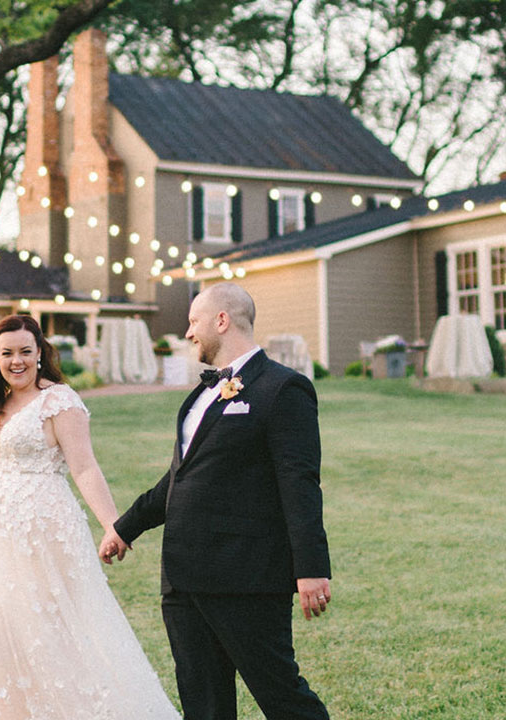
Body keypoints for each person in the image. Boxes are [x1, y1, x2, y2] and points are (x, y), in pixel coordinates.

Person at [100, 283, 333, 720]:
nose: (188, 333)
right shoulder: (200, 395)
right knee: (202, 703)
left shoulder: (284, 390)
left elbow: (300, 483)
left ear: (221, 321)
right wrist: (124, 527)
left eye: (193, 322)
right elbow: (180, 477)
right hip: (183, 578)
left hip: (245, 575)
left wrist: (312, 568)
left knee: (282, 696)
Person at [0, 314, 180, 720]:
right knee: (6, 633)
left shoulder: (59, 401)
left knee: (54, 632)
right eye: (7, 353)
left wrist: (113, 525)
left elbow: (85, 468)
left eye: (25, 352)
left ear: (40, 354)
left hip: (46, 532)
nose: (16, 361)